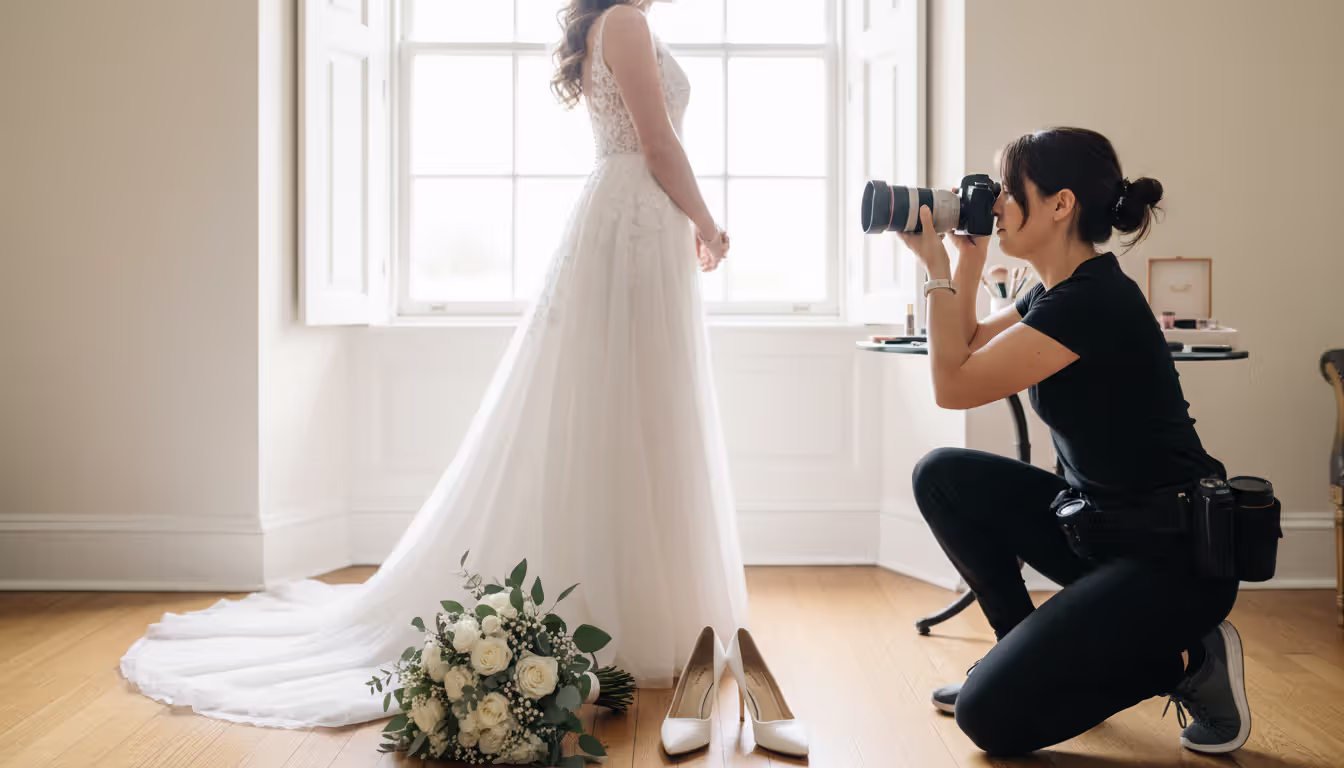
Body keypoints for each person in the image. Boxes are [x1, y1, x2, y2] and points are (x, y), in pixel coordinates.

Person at [120, 0, 750, 729]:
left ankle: (634, 610)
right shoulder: (628, 23)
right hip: (637, 220)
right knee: (635, 412)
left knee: (629, 413)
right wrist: (710, 226)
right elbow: (658, 144)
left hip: (630, 218)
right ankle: (626, 614)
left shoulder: (610, 25)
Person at [902, 127, 1248, 755]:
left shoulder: (1093, 302)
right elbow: (970, 340)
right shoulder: (1053, 290)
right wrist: (968, 260)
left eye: (1010, 192)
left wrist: (935, 269)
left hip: (1169, 561)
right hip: (1096, 532)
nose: (996, 203)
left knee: (988, 721)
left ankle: (1188, 661)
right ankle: (1014, 658)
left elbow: (952, 385)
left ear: (1061, 204)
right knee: (941, 476)